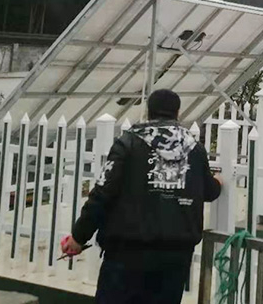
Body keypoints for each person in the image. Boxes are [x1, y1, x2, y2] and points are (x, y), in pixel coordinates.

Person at [62, 88, 221, 304]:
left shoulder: (128, 143)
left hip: (127, 253)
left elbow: (103, 193)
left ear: (148, 111)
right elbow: (209, 191)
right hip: (175, 256)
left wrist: (79, 237)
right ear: (177, 113)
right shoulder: (194, 149)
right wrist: (218, 182)